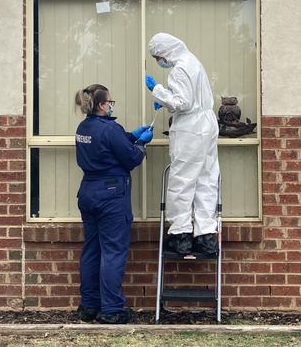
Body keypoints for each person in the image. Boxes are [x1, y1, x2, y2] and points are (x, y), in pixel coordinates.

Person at [73, 83, 153, 324]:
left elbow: (109, 142)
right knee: (113, 252)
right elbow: (130, 158)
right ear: (100, 105)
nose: (111, 105)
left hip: (88, 193)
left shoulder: (83, 127)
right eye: (109, 102)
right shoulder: (110, 128)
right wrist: (140, 144)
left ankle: (89, 306)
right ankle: (111, 310)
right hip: (110, 196)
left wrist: (130, 135)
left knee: (92, 249)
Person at [145, 33, 220, 256]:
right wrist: (166, 97)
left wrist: (158, 91)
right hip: (207, 124)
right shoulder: (194, 62)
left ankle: (180, 236)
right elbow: (192, 98)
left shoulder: (179, 69)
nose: (160, 61)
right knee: (206, 179)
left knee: (182, 180)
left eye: (158, 56)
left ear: (165, 52)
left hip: (190, 128)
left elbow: (182, 103)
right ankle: (206, 236)